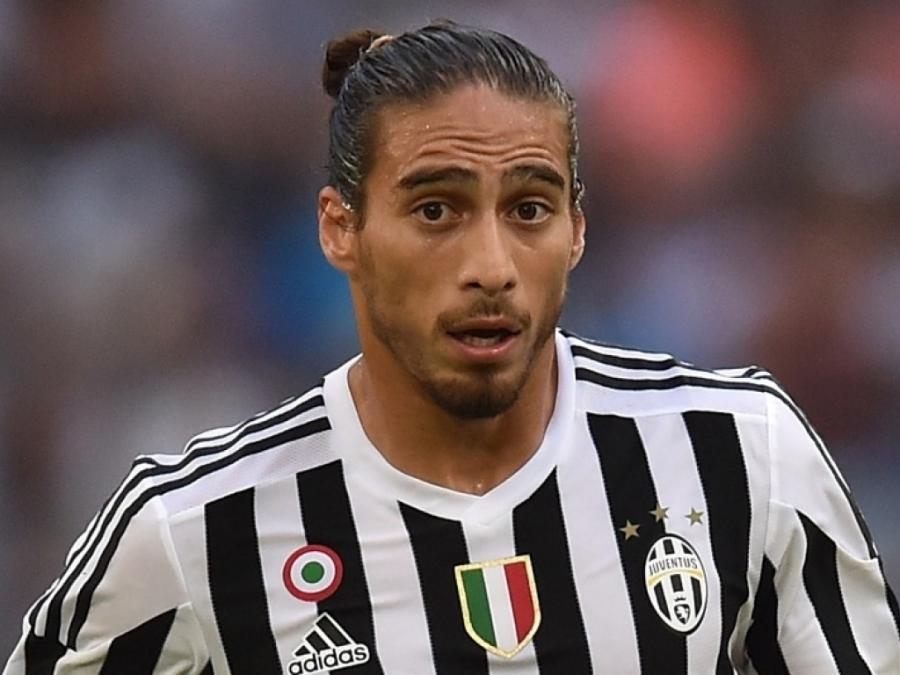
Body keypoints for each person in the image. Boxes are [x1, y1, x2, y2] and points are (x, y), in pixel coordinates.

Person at [6, 20, 899, 675]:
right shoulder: (195, 528)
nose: (491, 267)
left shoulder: (737, 454)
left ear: (578, 230)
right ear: (341, 228)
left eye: (530, 209)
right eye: (436, 209)